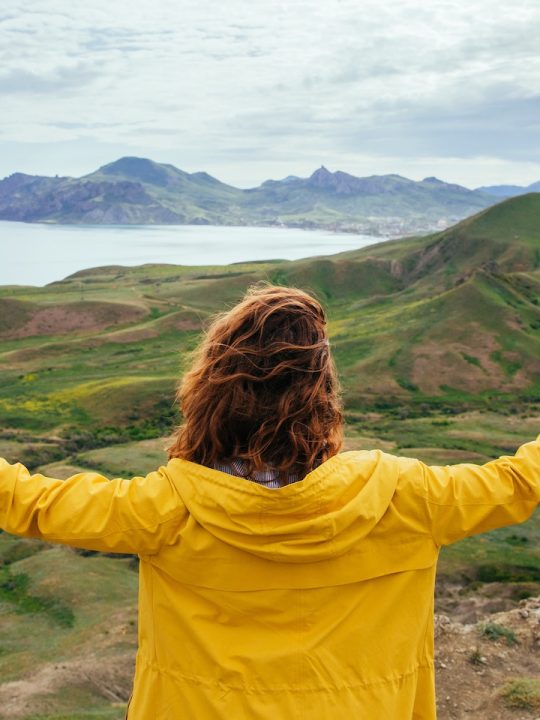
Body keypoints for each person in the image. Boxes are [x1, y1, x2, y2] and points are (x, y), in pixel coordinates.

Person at [0, 283, 538, 720]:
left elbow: (30, 501)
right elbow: (519, 481)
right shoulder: (407, 496)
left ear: (210, 395)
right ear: (323, 395)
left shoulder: (165, 508)